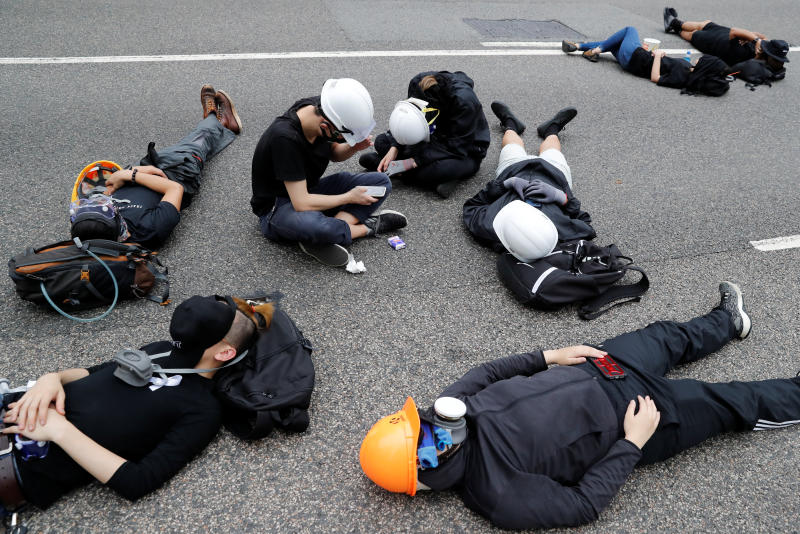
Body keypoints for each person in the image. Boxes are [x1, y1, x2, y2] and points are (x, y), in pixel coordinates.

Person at [359, 282, 800, 530]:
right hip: (633, 418)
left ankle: (729, 322)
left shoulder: (449, 413)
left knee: (665, 336)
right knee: (734, 401)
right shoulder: (498, 496)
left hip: (598, 370)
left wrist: (551, 356)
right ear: (426, 475)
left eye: (423, 422)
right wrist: (632, 443)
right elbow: (583, 505)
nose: (440, 424)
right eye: (429, 438)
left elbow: (488, 372)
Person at [0, 294, 274, 512]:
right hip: (12, 405)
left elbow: (138, 481)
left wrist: (60, 431)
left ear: (226, 352)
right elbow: (97, 371)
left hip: (19, 462)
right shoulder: (161, 349)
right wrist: (53, 378)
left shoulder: (202, 410)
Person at [251, 78, 408, 267]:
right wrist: (348, 198)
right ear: (325, 126)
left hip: (309, 189)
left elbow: (333, 153)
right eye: (344, 136)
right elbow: (301, 202)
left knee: (381, 182)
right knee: (316, 226)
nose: (344, 140)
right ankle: (365, 228)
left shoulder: (324, 109)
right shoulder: (285, 139)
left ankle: (332, 232)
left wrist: (354, 147)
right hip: (278, 207)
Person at [69, 85, 242, 250]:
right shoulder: (148, 231)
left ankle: (220, 126)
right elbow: (175, 189)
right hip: (176, 174)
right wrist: (129, 176)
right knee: (196, 144)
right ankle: (216, 119)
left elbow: (108, 187)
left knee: (194, 144)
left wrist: (130, 173)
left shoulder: (90, 223)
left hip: (143, 170)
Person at [463, 102, 595, 260]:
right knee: (552, 149)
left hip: (513, 170)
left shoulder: (489, 226)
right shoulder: (561, 231)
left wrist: (505, 184)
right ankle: (551, 130)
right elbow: (586, 224)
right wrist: (563, 198)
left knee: (512, 144)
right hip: (554, 174)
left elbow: (473, 205)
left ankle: (510, 124)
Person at [359, 71, 490, 199]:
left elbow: (456, 147)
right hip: (432, 138)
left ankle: (401, 173)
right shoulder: (417, 84)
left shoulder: (464, 102)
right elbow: (408, 121)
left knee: (442, 169)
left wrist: (415, 161)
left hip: (464, 150)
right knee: (381, 142)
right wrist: (395, 147)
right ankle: (433, 180)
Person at [561, 27, 697, 90]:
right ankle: (577, 46)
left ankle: (595, 50)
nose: (700, 59)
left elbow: (656, 77)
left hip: (637, 57)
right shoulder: (688, 76)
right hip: (632, 66)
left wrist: (657, 55)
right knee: (613, 43)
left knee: (629, 30)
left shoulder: (682, 73)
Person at [663, 7, 790, 71]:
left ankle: (674, 26)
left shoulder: (753, 60)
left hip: (718, 44)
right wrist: (753, 38)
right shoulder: (763, 47)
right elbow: (759, 35)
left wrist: (754, 40)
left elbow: (735, 31)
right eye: (779, 60)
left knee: (693, 34)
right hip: (727, 35)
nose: (781, 63)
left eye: (780, 61)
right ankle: (676, 23)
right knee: (705, 23)